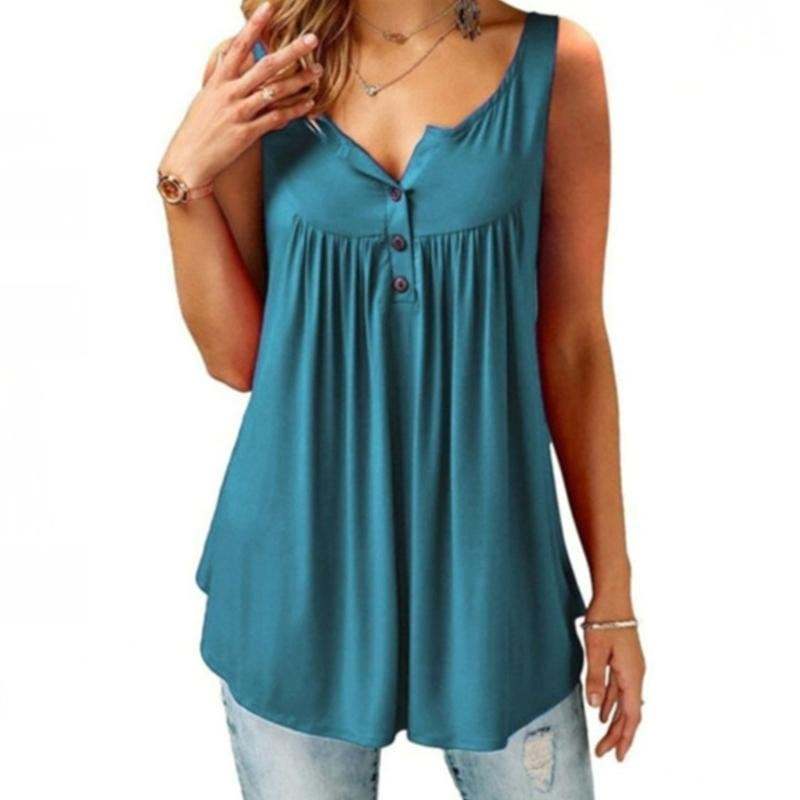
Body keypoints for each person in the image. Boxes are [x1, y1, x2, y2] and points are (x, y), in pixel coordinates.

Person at [158, 1, 646, 797]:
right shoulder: (264, 69)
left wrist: (613, 596)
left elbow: (574, 346)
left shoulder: (555, 66)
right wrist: (183, 182)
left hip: (496, 577)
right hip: (297, 575)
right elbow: (236, 360)